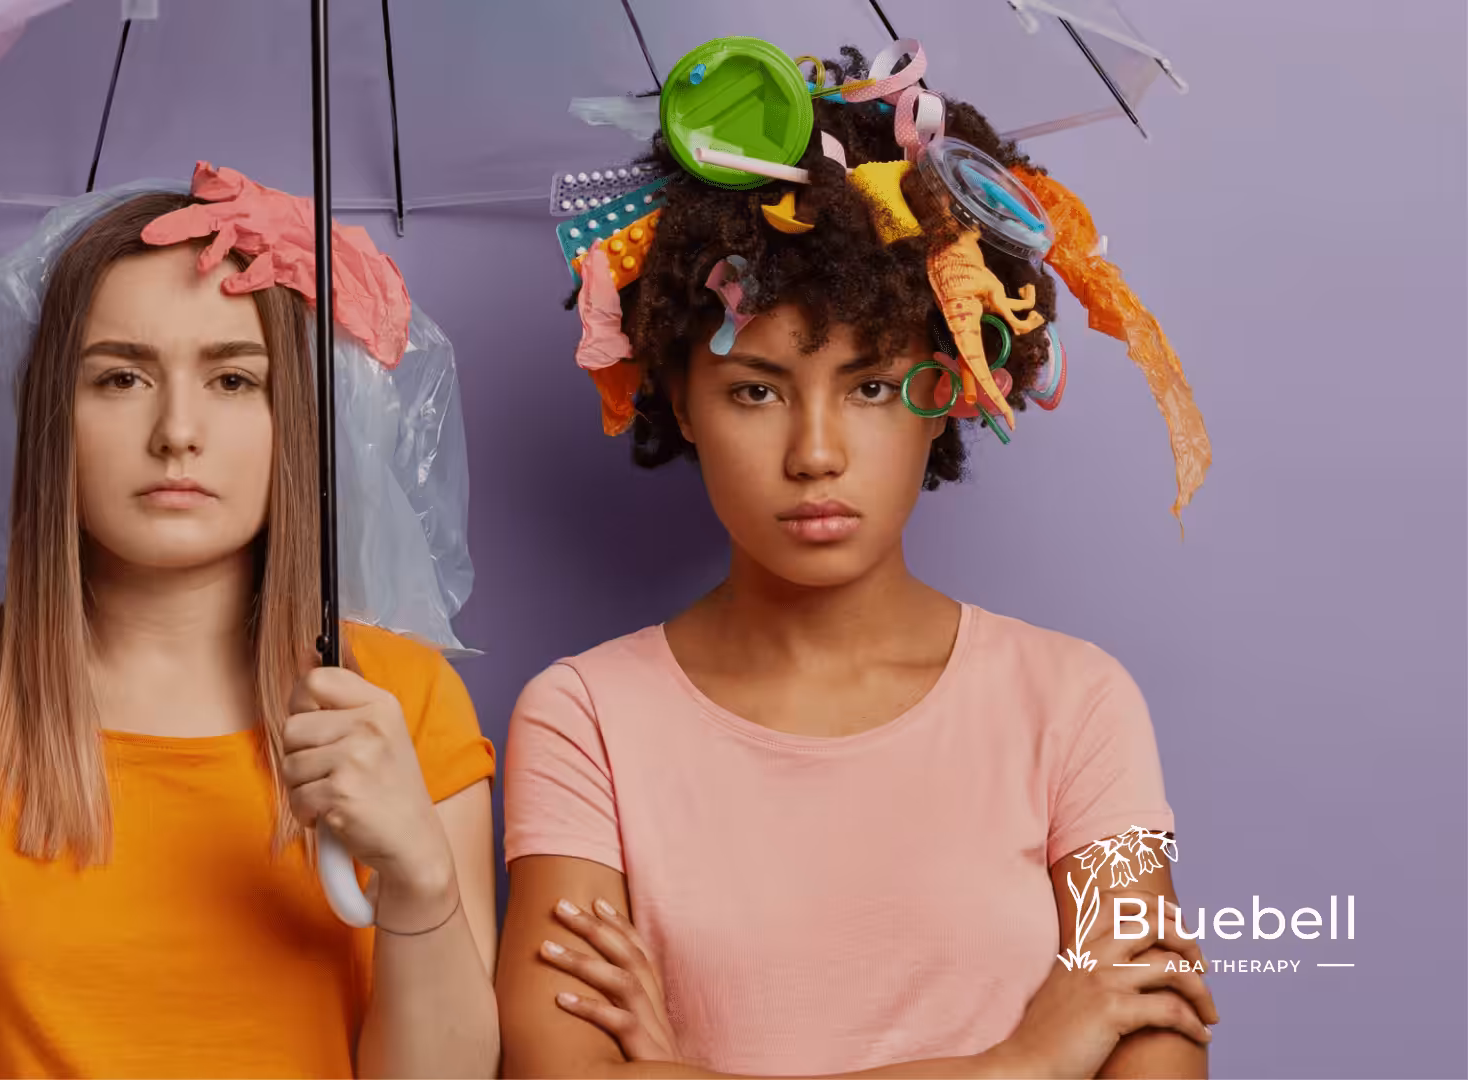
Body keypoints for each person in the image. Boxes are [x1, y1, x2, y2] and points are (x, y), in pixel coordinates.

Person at [497, 44, 1218, 1079]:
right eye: (756, 389)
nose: (816, 452)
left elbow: (1158, 1061)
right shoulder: (584, 719)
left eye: (872, 386)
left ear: (958, 386)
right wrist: (1021, 1063)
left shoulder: (1075, 706)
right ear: (679, 398)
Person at [0, 186, 499, 1078]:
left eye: (235, 379)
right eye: (120, 377)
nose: (176, 433)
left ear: (301, 428)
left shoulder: (402, 706)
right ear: (54, 416)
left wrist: (420, 881)